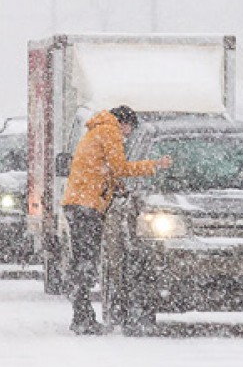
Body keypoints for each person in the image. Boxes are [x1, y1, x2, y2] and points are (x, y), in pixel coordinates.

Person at [61, 105, 171, 335]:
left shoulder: (97, 130)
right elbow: (119, 168)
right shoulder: (110, 131)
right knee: (86, 262)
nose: (128, 135)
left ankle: (81, 314)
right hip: (87, 204)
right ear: (124, 123)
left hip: (78, 201)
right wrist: (154, 165)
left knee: (83, 260)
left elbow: (102, 170)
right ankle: (82, 317)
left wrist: (115, 187)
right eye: (129, 129)